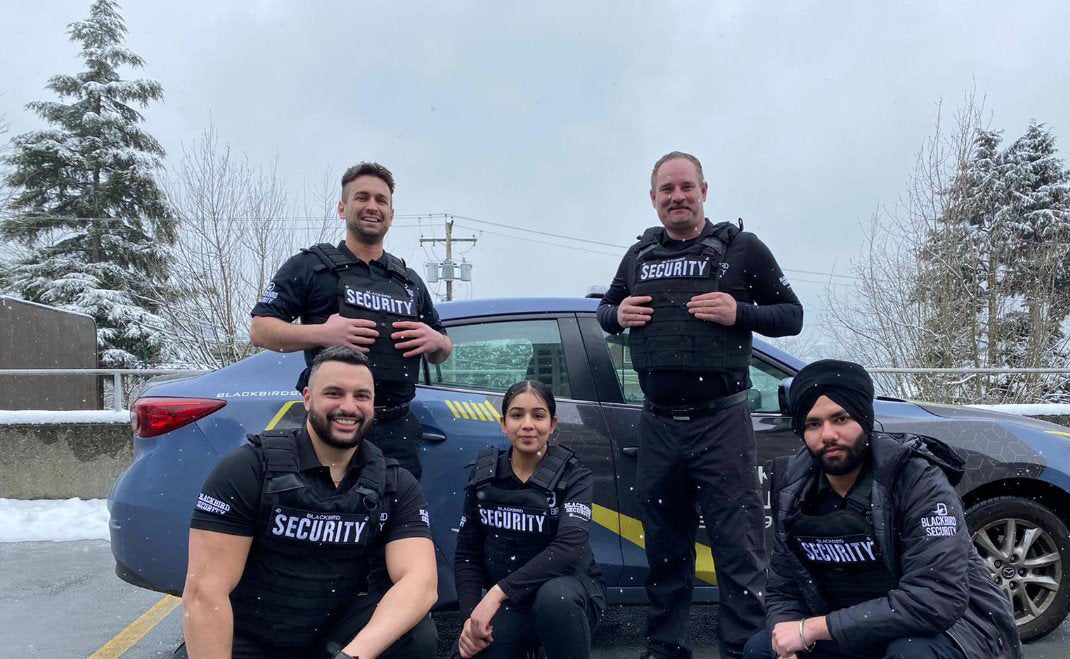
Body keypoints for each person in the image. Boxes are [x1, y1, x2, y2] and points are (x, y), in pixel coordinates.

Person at [597, 151, 803, 659]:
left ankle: (742, 648)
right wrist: (616, 311)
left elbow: (792, 316)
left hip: (722, 422)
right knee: (666, 547)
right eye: (666, 190)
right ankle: (665, 646)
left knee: (738, 547)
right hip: (659, 425)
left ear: (704, 191)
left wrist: (740, 312)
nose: (677, 197)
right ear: (653, 199)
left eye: (686, 187)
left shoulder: (744, 250)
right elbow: (606, 310)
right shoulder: (639, 256)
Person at [744, 359, 1021, 659]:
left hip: (951, 630)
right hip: (851, 628)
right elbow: (784, 589)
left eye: (840, 419)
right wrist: (789, 640)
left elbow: (935, 598)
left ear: (864, 420)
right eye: (813, 424)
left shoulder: (916, 480)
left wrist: (812, 629)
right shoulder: (793, 488)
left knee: (910, 655)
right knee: (762, 650)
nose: (827, 435)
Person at [183, 346, 439, 659]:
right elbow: (204, 592)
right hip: (253, 634)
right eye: (334, 393)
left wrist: (353, 655)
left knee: (416, 634)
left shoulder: (393, 482)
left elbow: (420, 582)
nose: (349, 406)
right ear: (307, 398)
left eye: (361, 395)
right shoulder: (249, 468)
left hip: (334, 637)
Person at [250, 161, 452, 481]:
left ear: (391, 215)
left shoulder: (409, 281)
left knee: (394, 523)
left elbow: (443, 346)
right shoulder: (310, 267)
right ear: (343, 209)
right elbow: (261, 329)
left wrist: (438, 341)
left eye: (381, 200)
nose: (372, 206)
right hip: (331, 426)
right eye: (362, 197)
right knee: (327, 522)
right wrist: (324, 333)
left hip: (396, 429)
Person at [453, 380, 607, 659]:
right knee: (472, 652)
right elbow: (466, 555)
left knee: (554, 599)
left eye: (538, 415)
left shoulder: (575, 476)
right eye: (516, 415)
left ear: (553, 424)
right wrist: (471, 618)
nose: (527, 424)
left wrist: (497, 593)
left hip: (570, 593)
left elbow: (569, 551)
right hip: (513, 602)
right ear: (503, 423)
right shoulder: (483, 474)